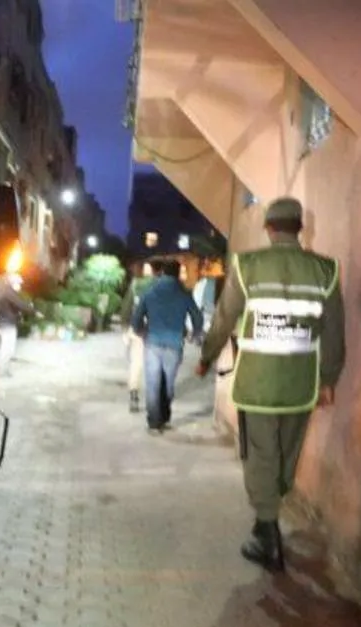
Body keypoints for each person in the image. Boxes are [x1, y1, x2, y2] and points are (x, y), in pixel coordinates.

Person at [195, 197, 346, 572]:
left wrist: (207, 356)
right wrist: (328, 379)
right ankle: (269, 512)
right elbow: (334, 332)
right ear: (300, 228)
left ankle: (267, 531)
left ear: (269, 228)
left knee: (261, 454)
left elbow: (224, 317)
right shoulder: (325, 270)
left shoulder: (247, 266)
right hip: (301, 384)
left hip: (258, 383)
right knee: (286, 454)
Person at [132, 259, 204, 434]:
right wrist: (195, 334)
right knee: (168, 383)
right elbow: (197, 317)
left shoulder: (150, 291)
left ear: (163, 272)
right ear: (178, 273)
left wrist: (141, 331)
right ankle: (164, 418)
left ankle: (153, 423)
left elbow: (136, 318)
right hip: (174, 343)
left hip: (153, 342)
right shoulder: (184, 294)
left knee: (153, 383)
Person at [119, 263, 158, 413]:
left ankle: (134, 397)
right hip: (156, 331)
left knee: (136, 364)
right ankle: (154, 400)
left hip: (138, 330)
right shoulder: (160, 286)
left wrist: (125, 328)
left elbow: (126, 307)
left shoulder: (135, 285)